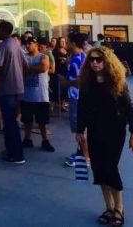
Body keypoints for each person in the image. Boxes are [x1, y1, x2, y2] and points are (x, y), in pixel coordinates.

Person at [76, 47, 133, 227]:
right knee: (98, 169)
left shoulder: (117, 81)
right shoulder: (87, 82)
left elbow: (129, 107)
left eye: (99, 59)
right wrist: (80, 130)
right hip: (94, 130)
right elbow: (82, 107)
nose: (95, 63)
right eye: (92, 60)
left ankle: (119, 208)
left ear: (107, 61)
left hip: (115, 130)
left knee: (110, 167)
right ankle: (109, 208)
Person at [0, 21, 26, 164]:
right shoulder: (16, 44)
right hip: (17, 86)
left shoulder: (2, 47)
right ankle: (11, 149)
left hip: (7, 88)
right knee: (11, 120)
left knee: (10, 122)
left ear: (2, 30)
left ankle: (16, 155)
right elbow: (25, 63)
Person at [21, 37, 55, 152]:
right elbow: (20, 68)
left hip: (41, 96)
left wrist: (27, 68)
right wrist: (32, 68)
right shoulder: (23, 57)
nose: (27, 45)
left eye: (30, 43)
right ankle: (27, 139)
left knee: (42, 121)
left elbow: (43, 67)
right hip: (26, 96)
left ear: (36, 44)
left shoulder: (43, 56)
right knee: (27, 120)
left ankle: (45, 140)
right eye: (26, 43)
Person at [59, 33, 87, 167]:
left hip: (77, 97)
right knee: (79, 127)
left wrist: (66, 82)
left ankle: (84, 157)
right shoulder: (80, 57)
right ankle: (81, 153)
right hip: (77, 97)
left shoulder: (78, 60)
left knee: (78, 128)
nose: (66, 44)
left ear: (74, 43)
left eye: (68, 42)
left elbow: (81, 81)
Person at [53, 36, 69, 112]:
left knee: (65, 89)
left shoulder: (66, 50)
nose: (63, 43)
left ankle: (64, 104)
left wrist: (66, 60)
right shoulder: (56, 51)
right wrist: (61, 59)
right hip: (59, 71)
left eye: (64, 41)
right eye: (61, 41)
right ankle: (57, 104)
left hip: (66, 71)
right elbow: (54, 60)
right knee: (59, 89)